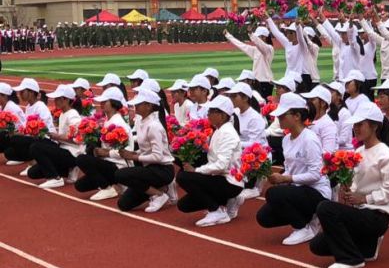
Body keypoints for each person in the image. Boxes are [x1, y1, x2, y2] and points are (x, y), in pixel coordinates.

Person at [310, 102, 389, 268]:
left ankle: (351, 259)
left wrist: (365, 198)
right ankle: (367, 246)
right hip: (359, 212)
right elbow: (354, 184)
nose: (356, 128)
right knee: (317, 245)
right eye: (355, 125)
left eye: (360, 124)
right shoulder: (358, 152)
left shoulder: (388, 156)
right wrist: (346, 189)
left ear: (374, 126)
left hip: (376, 215)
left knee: (325, 207)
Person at [257, 92, 331, 244]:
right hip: (298, 189)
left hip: (316, 191)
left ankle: (303, 228)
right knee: (264, 217)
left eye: (283, 115)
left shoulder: (309, 139)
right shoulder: (286, 139)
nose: (279, 118)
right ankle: (307, 217)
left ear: (297, 116)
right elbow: (290, 167)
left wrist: (285, 178)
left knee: (273, 194)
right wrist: (277, 177)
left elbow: (315, 174)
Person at [175, 95, 244, 227]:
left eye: (212, 111)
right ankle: (228, 200)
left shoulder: (227, 133)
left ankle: (216, 210)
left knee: (183, 176)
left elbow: (221, 165)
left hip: (229, 181)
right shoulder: (219, 130)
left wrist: (196, 170)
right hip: (219, 178)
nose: (208, 114)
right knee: (183, 205)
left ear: (222, 115)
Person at [115, 89, 176, 212]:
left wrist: (134, 157)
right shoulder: (141, 121)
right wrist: (134, 153)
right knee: (123, 204)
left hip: (162, 170)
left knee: (120, 174)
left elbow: (158, 156)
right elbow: (146, 149)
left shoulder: (154, 126)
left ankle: (158, 194)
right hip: (149, 168)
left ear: (148, 106)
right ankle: (161, 188)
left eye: (139, 104)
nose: (135, 106)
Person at [74, 87, 134, 201]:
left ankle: (107, 187)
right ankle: (114, 185)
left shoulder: (119, 123)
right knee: (80, 186)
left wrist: (106, 153)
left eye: (105, 101)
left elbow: (128, 151)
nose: (101, 104)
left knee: (81, 159)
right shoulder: (108, 120)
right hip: (108, 163)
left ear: (114, 103)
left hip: (119, 166)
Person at [26, 84, 82, 189]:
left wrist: (57, 136)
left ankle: (55, 178)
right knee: (33, 173)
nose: (55, 101)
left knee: (36, 147)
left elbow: (78, 139)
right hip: (63, 149)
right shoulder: (63, 114)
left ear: (66, 100)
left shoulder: (73, 114)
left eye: (57, 98)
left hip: (72, 153)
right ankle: (67, 170)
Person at [3, 79, 54, 169]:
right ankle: (31, 159)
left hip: (45, 139)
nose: (20, 94)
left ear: (31, 92)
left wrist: (26, 134)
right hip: (34, 137)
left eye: (22, 92)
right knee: (9, 152)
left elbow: (45, 129)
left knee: (16, 139)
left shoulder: (40, 107)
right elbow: (27, 128)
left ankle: (34, 161)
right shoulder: (28, 107)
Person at [262, 12, 316, 93]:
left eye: (290, 32)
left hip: (300, 78)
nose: (287, 34)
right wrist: (268, 19)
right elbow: (277, 33)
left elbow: (301, 38)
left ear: (295, 34)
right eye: (287, 32)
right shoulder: (288, 44)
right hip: (289, 76)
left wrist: (298, 27)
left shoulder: (302, 47)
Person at [224, 26, 275, 98]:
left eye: (258, 37)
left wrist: (251, 34)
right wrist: (228, 36)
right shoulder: (255, 50)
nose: (256, 39)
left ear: (264, 37)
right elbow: (242, 45)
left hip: (266, 82)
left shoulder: (269, 49)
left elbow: (260, 44)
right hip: (256, 81)